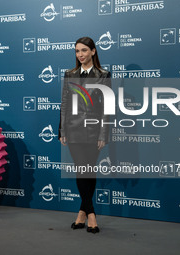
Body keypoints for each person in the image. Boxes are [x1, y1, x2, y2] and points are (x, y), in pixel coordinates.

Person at [59, 36, 111, 234]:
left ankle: (82, 210)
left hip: (93, 131)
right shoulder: (69, 74)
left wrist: (103, 134)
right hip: (73, 130)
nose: (80, 55)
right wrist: (62, 129)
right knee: (82, 169)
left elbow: (107, 107)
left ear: (93, 51)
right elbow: (64, 104)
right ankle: (91, 214)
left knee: (89, 170)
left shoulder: (103, 75)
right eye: (77, 51)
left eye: (84, 51)